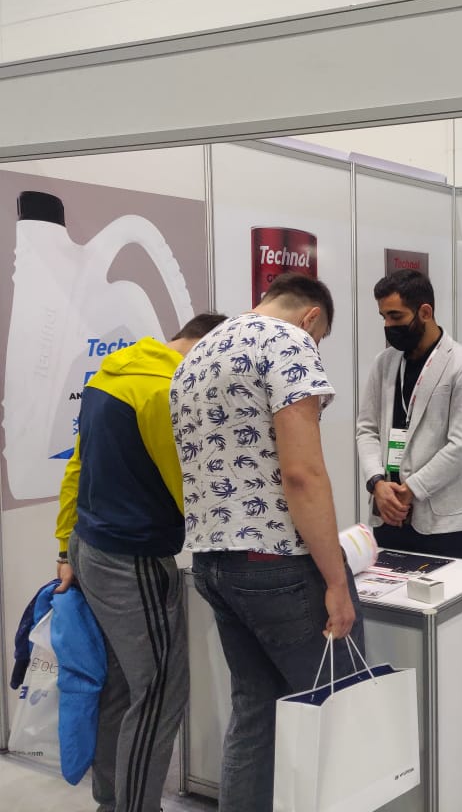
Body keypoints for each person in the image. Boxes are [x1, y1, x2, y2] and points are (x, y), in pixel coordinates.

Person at [170, 274, 362, 812]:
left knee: (255, 711)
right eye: (320, 337)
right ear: (311, 317)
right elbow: (302, 474)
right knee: (340, 709)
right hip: (278, 562)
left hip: (213, 563)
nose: (316, 346)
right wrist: (335, 579)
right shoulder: (289, 341)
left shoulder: (197, 353)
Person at [55, 311, 228, 812]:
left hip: (89, 546)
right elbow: (186, 485)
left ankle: (113, 801)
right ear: (205, 348)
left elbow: (77, 466)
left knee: (121, 685)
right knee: (159, 692)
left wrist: (64, 547)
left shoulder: (111, 374)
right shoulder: (166, 391)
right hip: (132, 560)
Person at [356, 269, 462, 559]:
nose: (388, 325)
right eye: (383, 317)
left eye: (396, 316)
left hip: (440, 523)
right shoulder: (384, 363)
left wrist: (411, 489)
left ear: (425, 312)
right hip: (388, 513)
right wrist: (377, 483)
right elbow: (367, 429)